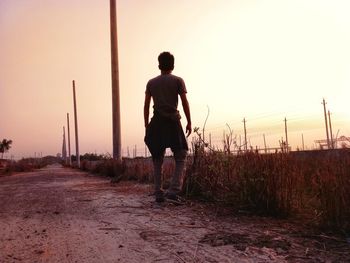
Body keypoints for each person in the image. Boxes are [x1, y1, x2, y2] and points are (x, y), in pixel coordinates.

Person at [144, 51, 192, 203]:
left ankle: (158, 192)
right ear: (173, 65)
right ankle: (173, 190)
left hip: (157, 122)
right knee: (181, 154)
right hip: (172, 121)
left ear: (159, 65)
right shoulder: (178, 80)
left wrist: (146, 125)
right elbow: (184, 102)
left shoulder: (151, 83)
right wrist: (189, 121)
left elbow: (146, 106)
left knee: (157, 156)